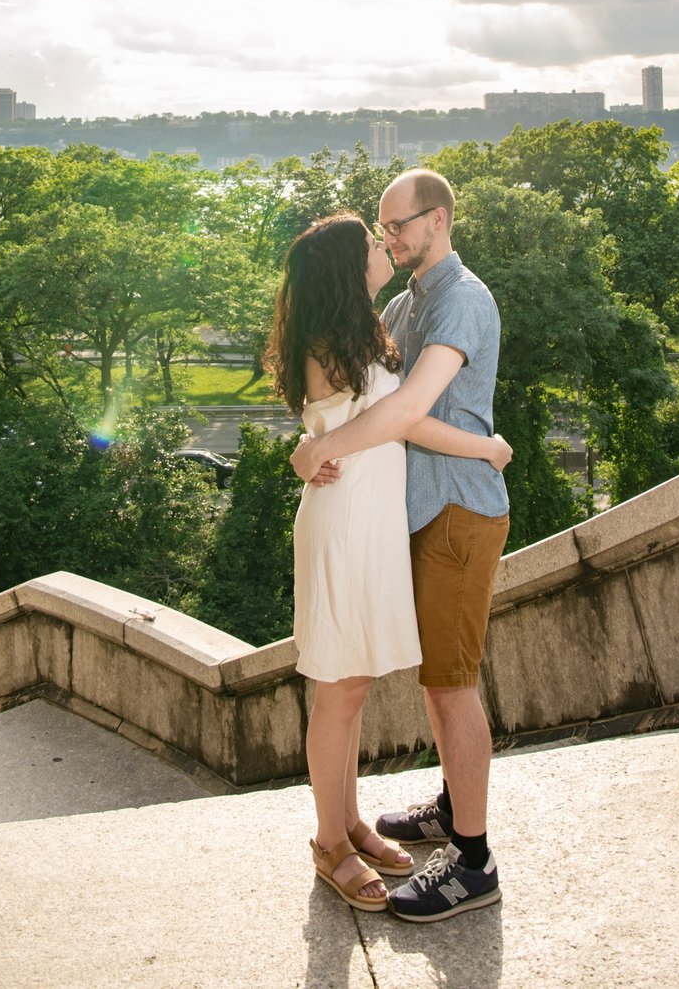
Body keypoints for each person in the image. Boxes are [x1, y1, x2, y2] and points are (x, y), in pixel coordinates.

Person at [270, 213, 511, 912]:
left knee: (354, 684)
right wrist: (486, 448)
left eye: (387, 235)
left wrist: (315, 445)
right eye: (370, 243)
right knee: (339, 690)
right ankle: (329, 842)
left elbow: (378, 420)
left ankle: (348, 821)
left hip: (370, 524)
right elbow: (402, 417)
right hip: (345, 524)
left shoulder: (364, 327)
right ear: (349, 268)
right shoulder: (327, 343)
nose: (383, 246)